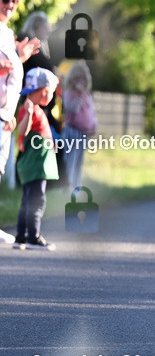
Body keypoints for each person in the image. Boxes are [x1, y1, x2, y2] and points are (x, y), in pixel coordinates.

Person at [0, 0, 40, 243]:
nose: (10, 5)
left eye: (15, 0)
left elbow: (10, 76)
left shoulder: (6, 33)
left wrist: (11, 112)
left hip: (4, 114)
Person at [13, 68, 59, 250]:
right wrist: (29, 114)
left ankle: (21, 237)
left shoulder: (35, 109)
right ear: (44, 91)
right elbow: (22, 131)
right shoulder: (29, 109)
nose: (52, 96)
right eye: (51, 93)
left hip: (32, 165)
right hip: (35, 165)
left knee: (27, 201)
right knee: (36, 201)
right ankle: (34, 237)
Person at [62, 60, 98, 189]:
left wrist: (94, 125)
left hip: (84, 133)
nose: (81, 82)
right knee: (70, 159)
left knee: (79, 160)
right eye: (78, 79)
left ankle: (77, 183)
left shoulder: (87, 96)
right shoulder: (69, 94)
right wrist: (79, 96)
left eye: (83, 79)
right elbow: (73, 109)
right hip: (73, 131)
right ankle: (67, 184)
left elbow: (92, 112)